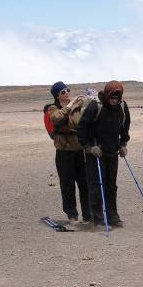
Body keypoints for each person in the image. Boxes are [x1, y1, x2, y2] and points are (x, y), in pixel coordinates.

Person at [76, 80, 131, 227]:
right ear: (107, 94)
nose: (114, 100)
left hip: (112, 151)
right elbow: (81, 128)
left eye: (117, 98)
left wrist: (123, 144)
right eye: (112, 97)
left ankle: (113, 216)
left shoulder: (122, 107)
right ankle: (98, 217)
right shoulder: (95, 106)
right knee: (96, 184)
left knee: (111, 185)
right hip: (95, 152)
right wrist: (89, 147)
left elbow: (125, 127)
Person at [46, 81, 91, 223]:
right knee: (67, 184)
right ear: (57, 96)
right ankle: (72, 215)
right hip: (64, 152)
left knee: (85, 183)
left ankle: (88, 214)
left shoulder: (78, 106)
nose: (66, 93)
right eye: (62, 92)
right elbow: (56, 119)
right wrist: (70, 105)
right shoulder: (53, 108)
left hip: (79, 150)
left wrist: (88, 100)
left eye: (67, 90)